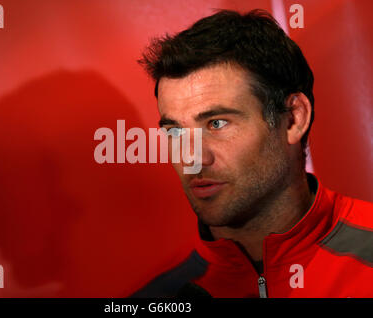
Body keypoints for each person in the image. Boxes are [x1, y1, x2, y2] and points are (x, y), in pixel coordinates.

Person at [132, 9, 373, 298]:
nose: (192, 158)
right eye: (175, 132)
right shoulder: (159, 296)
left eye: (217, 124)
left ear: (293, 119)